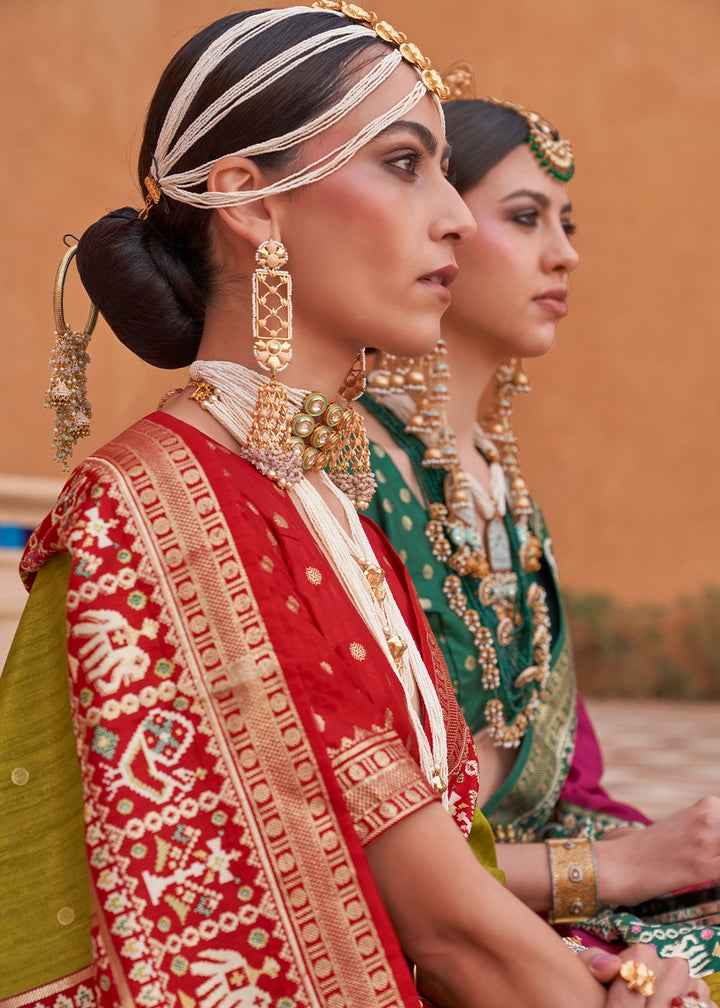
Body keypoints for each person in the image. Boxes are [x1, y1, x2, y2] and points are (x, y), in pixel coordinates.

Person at [0, 8, 714, 1008]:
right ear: (250, 203)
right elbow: (447, 934)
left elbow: (446, 883)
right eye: (404, 164)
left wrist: (613, 974)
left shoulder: (314, 493)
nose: (454, 218)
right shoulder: (169, 510)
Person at [361, 94, 720, 986]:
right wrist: (615, 868)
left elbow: (564, 784)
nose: (565, 253)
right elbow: (360, 831)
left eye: (567, 223)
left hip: (528, 879)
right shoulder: (350, 475)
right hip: (430, 918)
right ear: (436, 226)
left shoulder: (501, 483)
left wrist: (661, 858)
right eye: (526, 218)